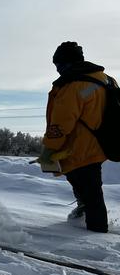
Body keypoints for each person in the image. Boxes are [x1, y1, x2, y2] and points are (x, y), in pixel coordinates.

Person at [40, 41, 109, 232]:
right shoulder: (105, 80)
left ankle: (97, 235)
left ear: (67, 62)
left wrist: (50, 147)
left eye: (58, 65)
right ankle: (84, 215)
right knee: (88, 188)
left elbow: (62, 122)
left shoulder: (74, 85)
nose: (57, 69)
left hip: (81, 147)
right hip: (102, 143)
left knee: (90, 192)